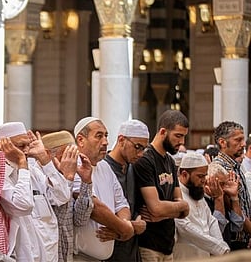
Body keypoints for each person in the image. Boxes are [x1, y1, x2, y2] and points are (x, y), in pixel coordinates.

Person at [0, 122, 71, 262]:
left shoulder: (34, 170)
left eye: (27, 145)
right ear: (3, 146)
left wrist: (44, 159)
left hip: (51, 254)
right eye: (20, 146)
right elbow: (23, 205)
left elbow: (62, 196)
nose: (26, 150)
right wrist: (22, 164)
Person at [72, 117, 134, 262]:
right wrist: (125, 229)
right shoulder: (74, 165)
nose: (105, 142)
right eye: (99, 136)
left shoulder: (105, 167)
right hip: (79, 257)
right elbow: (94, 208)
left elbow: (122, 204)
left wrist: (121, 226)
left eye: (106, 136)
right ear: (81, 140)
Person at [133, 109, 190, 261]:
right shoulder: (145, 159)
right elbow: (156, 209)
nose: (182, 142)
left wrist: (167, 211)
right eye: (178, 136)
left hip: (168, 244)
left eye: (184, 136)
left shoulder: (170, 162)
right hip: (148, 245)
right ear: (163, 131)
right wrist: (172, 209)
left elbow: (185, 209)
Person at [41, 130, 94, 262]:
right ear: (50, 156)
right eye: (67, 155)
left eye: (73, 156)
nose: (71, 161)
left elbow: (80, 219)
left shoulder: (67, 180)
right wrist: (66, 178)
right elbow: (58, 221)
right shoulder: (41, 181)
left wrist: (86, 181)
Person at [103, 119, 149, 262]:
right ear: (121, 140)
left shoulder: (131, 167)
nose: (141, 153)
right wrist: (129, 226)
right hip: (109, 251)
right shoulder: (104, 168)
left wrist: (138, 221)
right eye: (137, 147)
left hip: (131, 251)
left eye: (144, 149)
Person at [174, 152, 230, 260]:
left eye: (205, 175)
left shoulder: (197, 193)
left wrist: (220, 243)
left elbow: (211, 220)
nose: (204, 180)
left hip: (204, 256)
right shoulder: (176, 194)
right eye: (200, 176)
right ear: (184, 174)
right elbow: (185, 228)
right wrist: (219, 247)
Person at [212, 120, 251, 250]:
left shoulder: (235, 166)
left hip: (243, 237)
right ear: (223, 142)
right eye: (238, 140)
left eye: (243, 140)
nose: (243, 144)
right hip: (232, 238)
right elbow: (232, 207)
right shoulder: (218, 168)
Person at [204, 161, 244, 244]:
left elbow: (238, 225)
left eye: (226, 183)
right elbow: (217, 230)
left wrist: (234, 197)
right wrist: (219, 199)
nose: (225, 188)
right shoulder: (203, 201)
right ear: (208, 181)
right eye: (221, 184)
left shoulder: (224, 196)